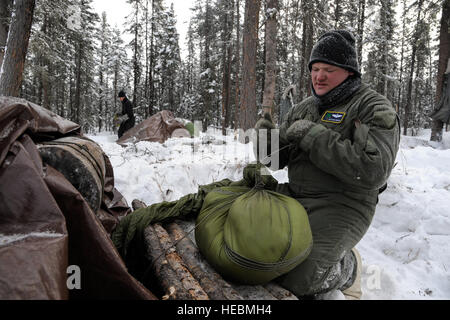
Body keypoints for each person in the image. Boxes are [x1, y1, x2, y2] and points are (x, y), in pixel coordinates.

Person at [255, 30, 400, 299]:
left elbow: (374, 172)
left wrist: (313, 137)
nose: (319, 76)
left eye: (329, 69)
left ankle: (349, 269)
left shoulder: (373, 107)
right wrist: (265, 139)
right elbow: (273, 161)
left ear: (349, 72)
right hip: (297, 196)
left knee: (303, 277)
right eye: (315, 69)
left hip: (345, 204)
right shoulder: (305, 107)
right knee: (247, 239)